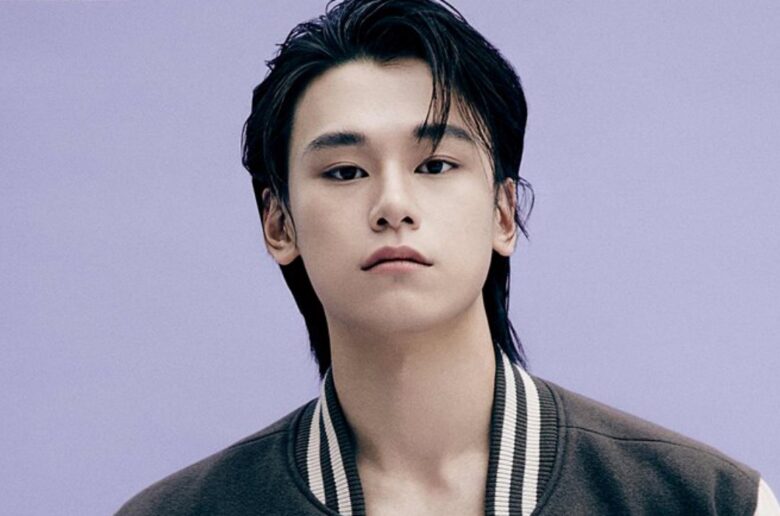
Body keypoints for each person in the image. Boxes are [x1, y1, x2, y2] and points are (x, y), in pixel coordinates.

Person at [117, 0, 779, 514]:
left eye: (435, 164)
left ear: (503, 213)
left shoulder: (705, 501)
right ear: (278, 223)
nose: (392, 204)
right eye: (345, 171)